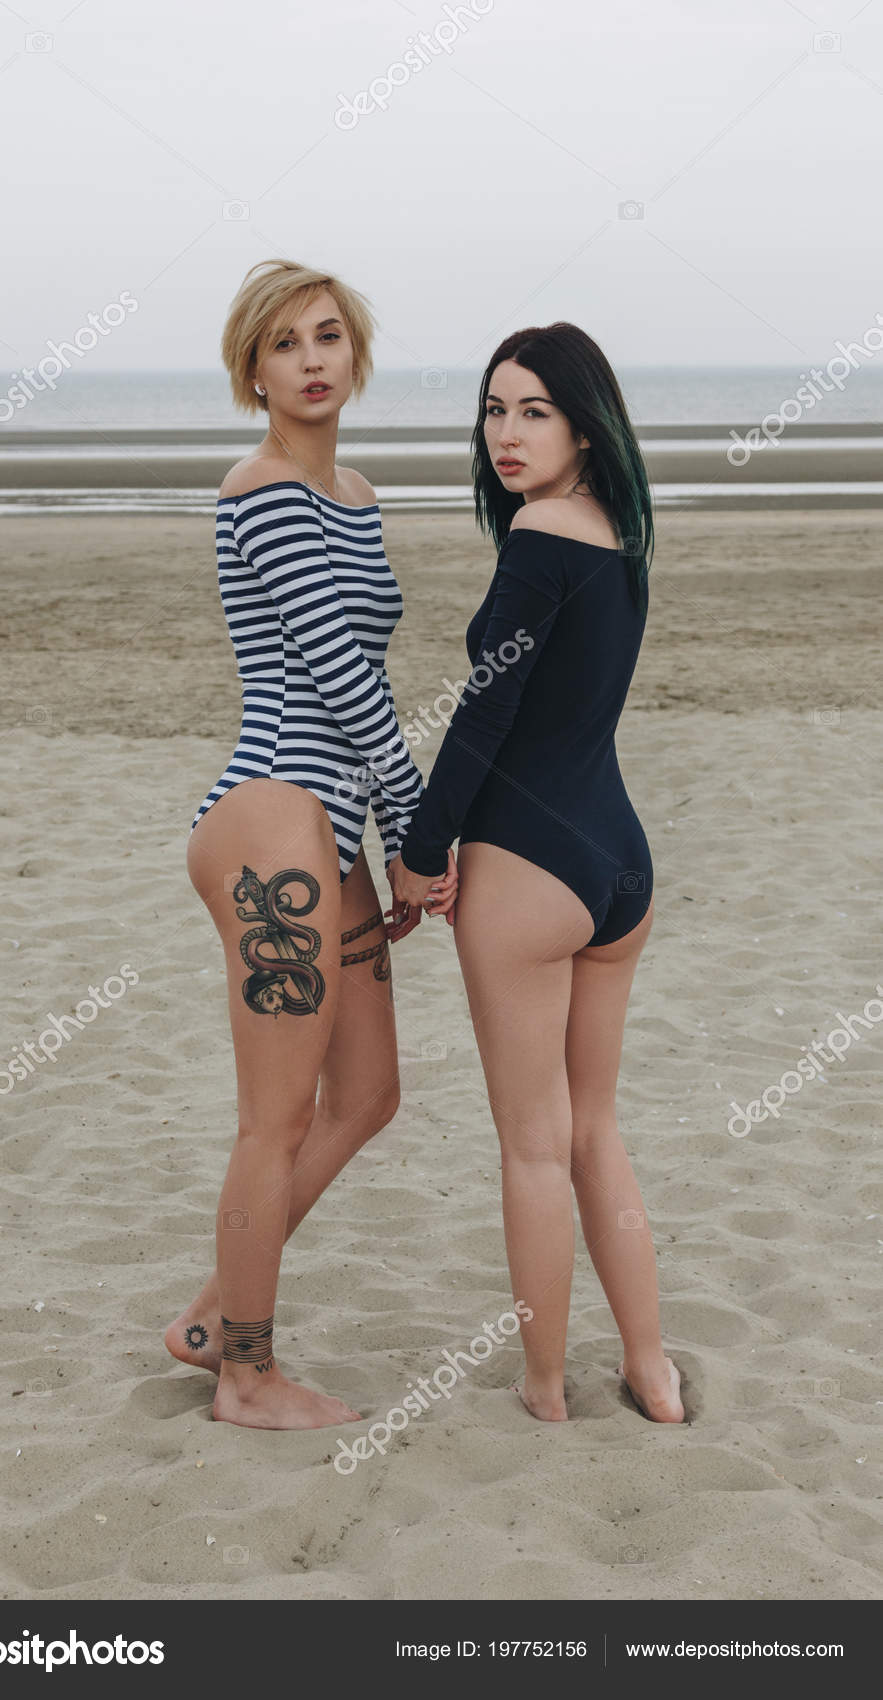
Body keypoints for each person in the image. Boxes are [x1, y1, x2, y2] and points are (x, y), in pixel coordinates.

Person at [168, 259, 456, 1430]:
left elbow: (362, 668)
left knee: (369, 1093)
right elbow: (339, 676)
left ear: (356, 353)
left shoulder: (358, 493)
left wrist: (377, 833)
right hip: (274, 815)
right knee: (273, 1117)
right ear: (253, 371)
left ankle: (206, 1311)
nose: (311, 359)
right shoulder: (264, 487)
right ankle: (242, 1371)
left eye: (328, 336)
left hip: (327, 828)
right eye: (284, 344)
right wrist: (418, 825)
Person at [388, 323, 684, 1423]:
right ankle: (649, 1368)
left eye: (533, 412)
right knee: (593, 1128)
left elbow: (485, 713)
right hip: (617, 866)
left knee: (530, 1142)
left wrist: (421, 851)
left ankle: (546, 1386)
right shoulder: (621, 533)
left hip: (526, 868)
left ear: (582, 422)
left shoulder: (537, 537)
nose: (504, 433)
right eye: (492, 408)